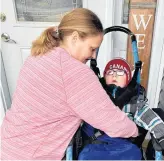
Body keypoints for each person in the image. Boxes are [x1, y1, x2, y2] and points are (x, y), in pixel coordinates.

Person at [0, 8, 138, 160]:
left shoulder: (38, 55)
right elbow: (114, 123)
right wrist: (134, 131)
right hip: (32, 155)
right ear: (74, 38)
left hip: (8, 144)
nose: (93, 55)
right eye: (92, 49)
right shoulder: (75, 73)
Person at [79, 58, 164, 160]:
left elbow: (148, 117)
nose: (114, 75)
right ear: (104, 77)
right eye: (110, 72)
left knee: (134, 154)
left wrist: (161, 135)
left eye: (120, 73)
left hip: (124, 146)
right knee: (84, 156)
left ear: (128, 79)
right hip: (96, 142)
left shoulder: (133, 101)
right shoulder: (95, 96)